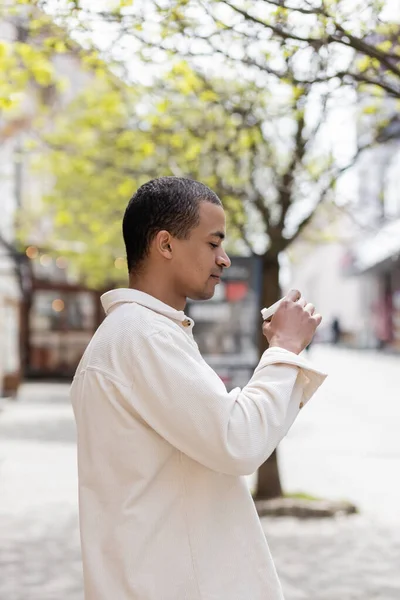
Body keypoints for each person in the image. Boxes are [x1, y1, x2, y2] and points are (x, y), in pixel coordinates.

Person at [70, 176, 327, 600]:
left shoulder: (136, 333)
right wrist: (285, 348)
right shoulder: (142, 335)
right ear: (166, 244)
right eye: (213, 243)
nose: (224, 259)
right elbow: (238, 439)